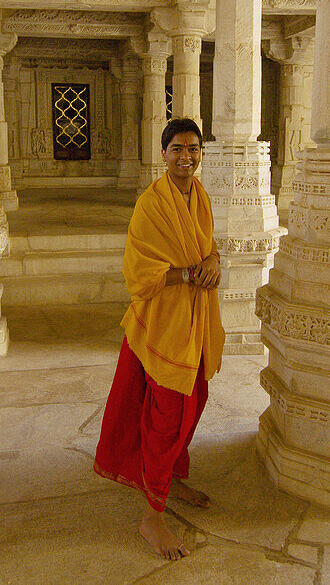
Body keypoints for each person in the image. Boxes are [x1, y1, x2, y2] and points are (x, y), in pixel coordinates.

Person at [94, 117, 225, 560]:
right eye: (177, 149)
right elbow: (138, 273)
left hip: (196, 317)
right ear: (164, 153)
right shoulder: (151, 204)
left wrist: (214, 260)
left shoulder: (200, 197)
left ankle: (172, 479)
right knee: (165, 415)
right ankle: (151, 517)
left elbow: (205, 246)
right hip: (164, 323)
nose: (186, 157)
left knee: (194, 402)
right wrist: (191, 272)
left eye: (193, 149)